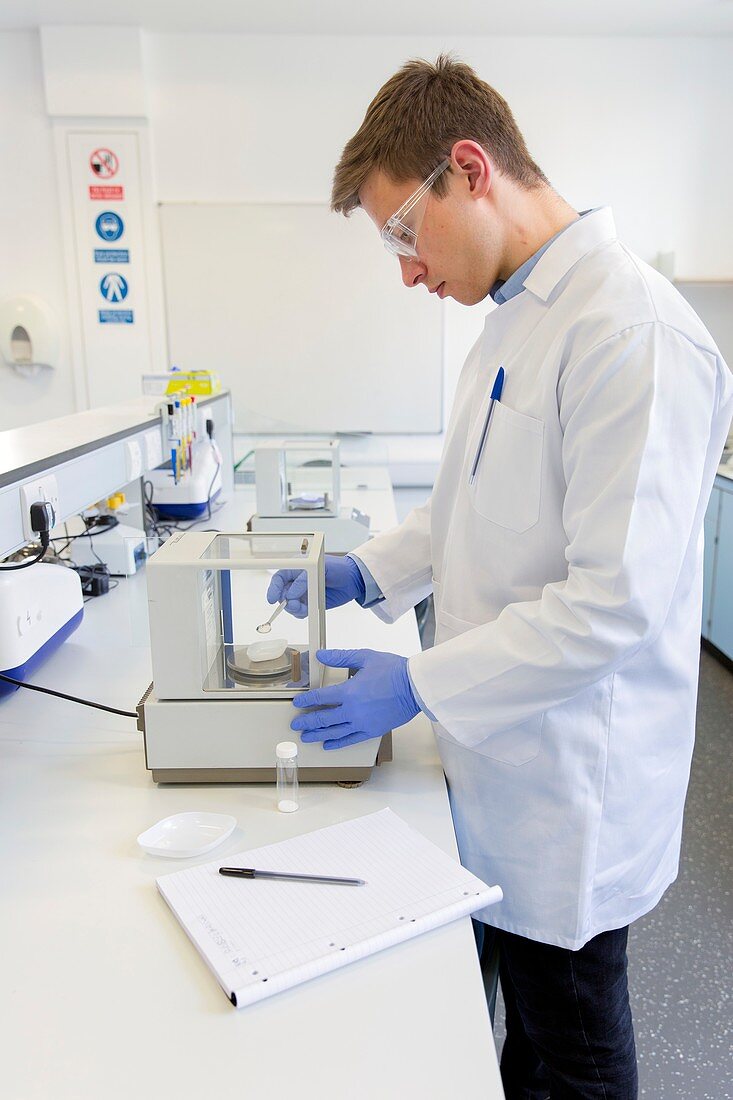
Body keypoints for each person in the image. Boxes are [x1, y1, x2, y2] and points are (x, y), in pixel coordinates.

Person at [267, 55, 733, 1098]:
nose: (405, 271)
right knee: (518, 1031)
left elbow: (612, 602)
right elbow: (469, 503)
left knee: (571, 1047)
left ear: (469, 170)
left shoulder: (632, 331)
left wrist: (418, 683)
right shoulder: (515, 320)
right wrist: (364, 567)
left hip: (574, 788)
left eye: (401, 235)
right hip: (502, 758)